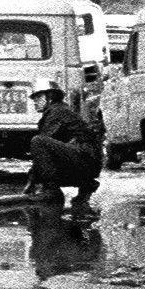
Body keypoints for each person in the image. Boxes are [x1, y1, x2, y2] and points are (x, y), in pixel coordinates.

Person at [27, 81, 103, 224]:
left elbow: (43, 146)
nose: (34, 102)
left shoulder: (57, 112)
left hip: (85, 158)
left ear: (50, 97)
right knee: (44, 157)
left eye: (38, 98)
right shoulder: (58, 111)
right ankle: (86, 184)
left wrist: (34, 180)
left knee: (38, 141)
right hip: (87, 161)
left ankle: (52, 190)